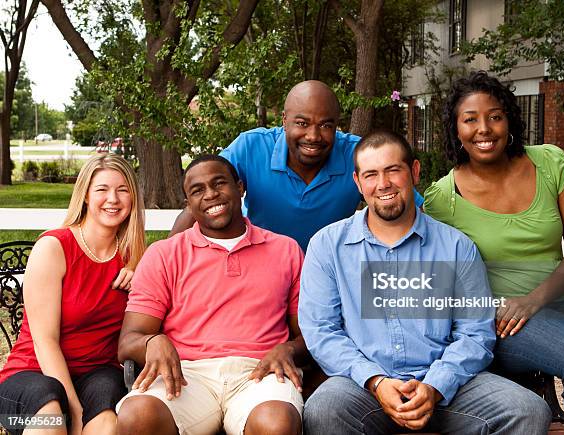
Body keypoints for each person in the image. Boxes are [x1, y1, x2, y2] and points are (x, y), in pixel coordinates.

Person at [298, 130, 551, 435]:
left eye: (393, 170)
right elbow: (321, 331)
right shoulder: (328, 245)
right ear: (358, 183)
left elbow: (475, 333)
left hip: (448, 388)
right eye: (371, 174)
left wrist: (435, 386)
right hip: (364, 389)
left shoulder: (456, 247)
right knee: (324, 410)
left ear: (414, 172)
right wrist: (376, 381)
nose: (383, 184)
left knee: (528, 411)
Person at [424, 71, 564, 435]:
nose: (484, 128)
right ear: (455, 129)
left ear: (509, 118)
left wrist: (533, 299)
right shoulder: (442, 199)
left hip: (558, 302)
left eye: (495, 116)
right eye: (470, 119)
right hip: (502, 320)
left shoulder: (550, 163)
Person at [115, 155, 306, 435]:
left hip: (260, 373)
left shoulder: (285, 250)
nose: (211, 195)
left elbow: (310, 336)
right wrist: (152, 342)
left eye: (219, 183)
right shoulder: (164, 254)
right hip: (185, 374)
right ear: (188, 204)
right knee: (137, 415)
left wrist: (288, 349)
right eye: (197, 190)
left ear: (240, 188)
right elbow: (128, 341)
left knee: (275, 423)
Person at [170, 80, 424, 251]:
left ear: (337, 124)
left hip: (329, 268)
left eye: (325, 125)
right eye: (302, 123)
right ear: (284, 120)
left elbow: (408, 204)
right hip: (261, 265)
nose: (313, 136)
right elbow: (202, 199)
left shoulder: (358, 154)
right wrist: (156, 266)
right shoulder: (251, 147)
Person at [0, 154, 146, 435]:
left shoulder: (135, 257)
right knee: (52, 419)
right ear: (86, 197)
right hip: (33, 372)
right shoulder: (54, 247)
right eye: (102, 189)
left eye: (123, 190)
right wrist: (75, 412)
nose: (113, 199)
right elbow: (45, 342)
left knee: (107, 423)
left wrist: (140, 270)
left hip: (98, 372)